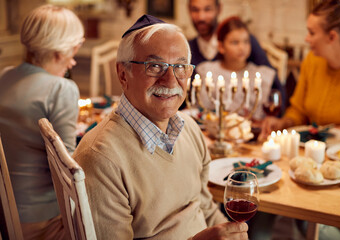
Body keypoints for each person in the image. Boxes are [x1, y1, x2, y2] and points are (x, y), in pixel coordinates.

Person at [73, 15, 248, 239]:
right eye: (155, 66)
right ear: (123, 74)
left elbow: (204, 207)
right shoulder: (100, 157)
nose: (171, 80)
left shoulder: (190, 129)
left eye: (180, 66)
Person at [0, 4, 83, 240]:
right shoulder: (61, 89)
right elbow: (67, 171)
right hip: (41, 222)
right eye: (74, 51)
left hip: (4, 213)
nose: (72, 62)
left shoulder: (4, 76)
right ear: (59, 52)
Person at [259, 0, 340, 140]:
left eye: (312, 33)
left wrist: (333, 131)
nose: (306, 39)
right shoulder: (312, 61)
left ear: (332, 37)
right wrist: (283, 123)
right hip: (313, 149)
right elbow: (298, 111)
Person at [187, 0, 286, 113]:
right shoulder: (190, 49)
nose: (201, 17)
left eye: (207, 9)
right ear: (221, 46)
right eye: (195, 10)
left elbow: (272, 83)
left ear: (219, 9)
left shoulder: (244, 38)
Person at [196, 16, 276, 121]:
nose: (242, 47)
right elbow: (203, 109)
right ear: (221, 47)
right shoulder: (209, 72)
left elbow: (262, 117)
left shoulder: (260, 75)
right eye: (235, 42)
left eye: (246, 41)